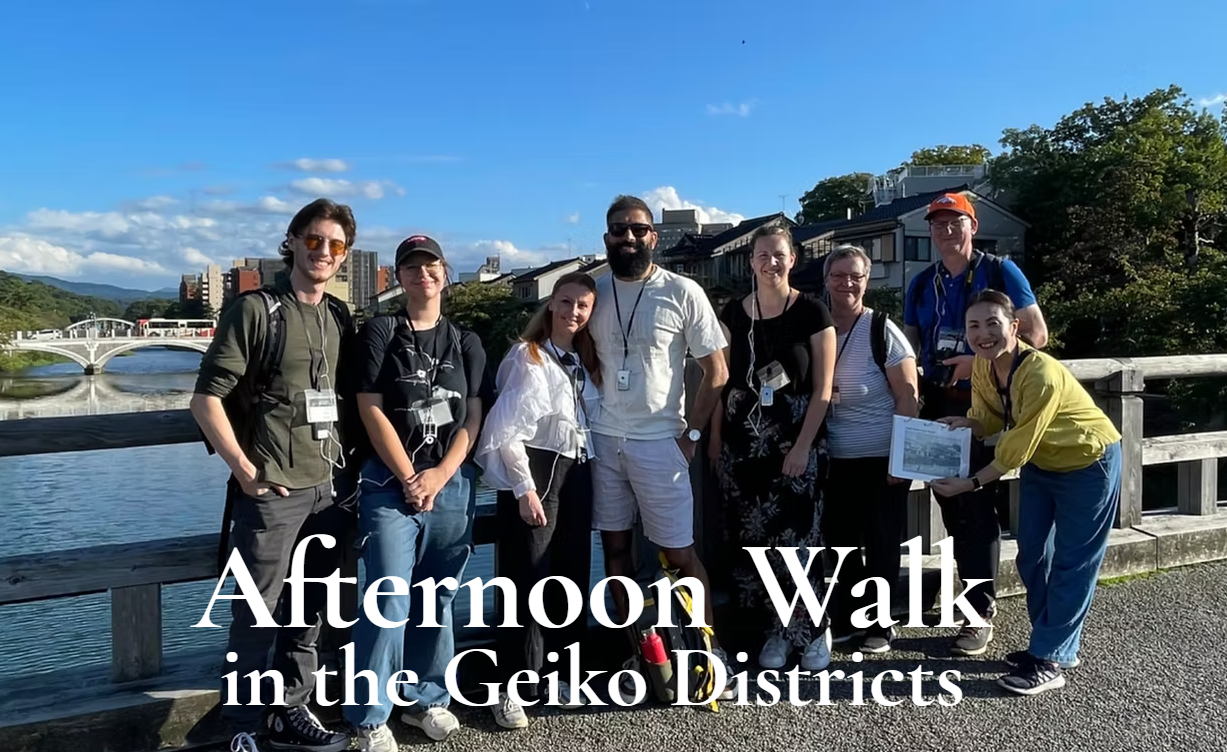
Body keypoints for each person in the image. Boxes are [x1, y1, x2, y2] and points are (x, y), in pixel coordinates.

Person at [190, 198, 355, 752]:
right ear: (291, 241)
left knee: (309, 609)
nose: (323, 252)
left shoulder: (338, 315)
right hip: (273, 490)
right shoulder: (257, 309)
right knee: (256, 611)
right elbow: (205, 400)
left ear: (345, 255)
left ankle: (290, 710)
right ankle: (241, 727)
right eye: (314, 240)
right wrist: (244, 471)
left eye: (335, 245)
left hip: (328, 489)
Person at [930, 290, 1121, 695]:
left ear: (1014, 327)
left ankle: (1050, 656)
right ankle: (1049, 644)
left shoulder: (1040, 374)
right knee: (1032, 554)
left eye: (993, 324)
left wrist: (970, 482)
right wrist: (965, 425)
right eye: (974, 326)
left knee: (1073, 562)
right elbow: (987, 418)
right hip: (1043, 463)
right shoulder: (983, 367)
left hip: (1088, 461)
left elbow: (1015, 448)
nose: (983, 334)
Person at [342, 235, 486, 750]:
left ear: (445, 272)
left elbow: (473, 414)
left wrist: (442, 473)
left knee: (438, 593)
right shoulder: (382, 331)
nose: (422, 274)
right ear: (399, 277)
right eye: (411, 267)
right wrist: (409, 477)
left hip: (450, 483)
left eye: (431, 266)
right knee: (388, 593)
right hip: (389, 482)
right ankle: (369, 714)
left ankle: (426, 698)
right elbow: (370, 407)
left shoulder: (465, 341)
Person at [587, 194, 731, 702]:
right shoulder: (592, 291)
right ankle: (641, 653)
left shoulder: (682, 291)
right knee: (615, 552)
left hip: (659, 442)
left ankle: (710, 654)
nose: (627, 237)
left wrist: (692, 434)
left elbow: (717, 371)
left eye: (638, 229)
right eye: (618, 230)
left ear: (653, 236)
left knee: (680, 553)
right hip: (603, 439)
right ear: (606, 237)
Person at [902, 192, 1049, 656]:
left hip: (984, 408)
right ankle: (971, 598)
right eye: (938, 224)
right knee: (952, 505)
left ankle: (979, 611)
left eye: (956, 222)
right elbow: (908, 349)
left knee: (978, 509)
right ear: (930, 231)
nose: (946, 231)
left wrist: (978, 360)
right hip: (938, 405)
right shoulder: (921, 283)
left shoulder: (1001, 272)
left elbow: (1037, 335)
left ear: (973, 226)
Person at [474, 272, 602, 725]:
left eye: (583, 306)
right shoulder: (528, 357)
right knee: (525, 577)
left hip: (578, 470)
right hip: (538, 472)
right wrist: (524, 487)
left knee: (570, 575)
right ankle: (512, 685)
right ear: (551, 304)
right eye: (566, 302)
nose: (573, 312)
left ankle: (562, 674)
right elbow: (507, 431)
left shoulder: (583, 360)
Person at [708, 224, 835, 671]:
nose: (770, 263)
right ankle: (774, 632)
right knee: (753, 545)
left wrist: (802, 447)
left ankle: (812, 631)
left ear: (792, 259)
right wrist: (715, 438)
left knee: (798, 543)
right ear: (751, 261)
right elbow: (719, 381)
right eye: (762, 255)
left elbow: (822, 389)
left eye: (779, 254)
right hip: (742, 448)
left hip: (795, 442)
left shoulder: (813, 312)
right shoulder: (733, 313)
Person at [817, 244, 919, 654]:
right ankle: (849, 614)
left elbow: (908, 396)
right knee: (839, 542)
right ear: (826, 280)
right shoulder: (817, 327)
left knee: (881, 542)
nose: (847, 283)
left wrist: (901, 456)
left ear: (867, 281)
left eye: (855, 276)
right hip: (833, 458)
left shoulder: (881, 330)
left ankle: (881, 621)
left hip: (881, 456)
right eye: (838, 275)